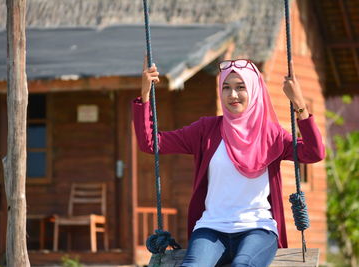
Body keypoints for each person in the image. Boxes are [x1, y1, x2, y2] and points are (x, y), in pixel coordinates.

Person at [132, 58, 325, 267]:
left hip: (258, 229)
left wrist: (300, 105)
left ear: (254, 89)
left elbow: (314, 153)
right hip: (211, 229)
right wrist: (144, 96)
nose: (232, 95)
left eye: (240, 87)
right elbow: (152, 143)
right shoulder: (206, 130)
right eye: (226, 87)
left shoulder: (272, 135)